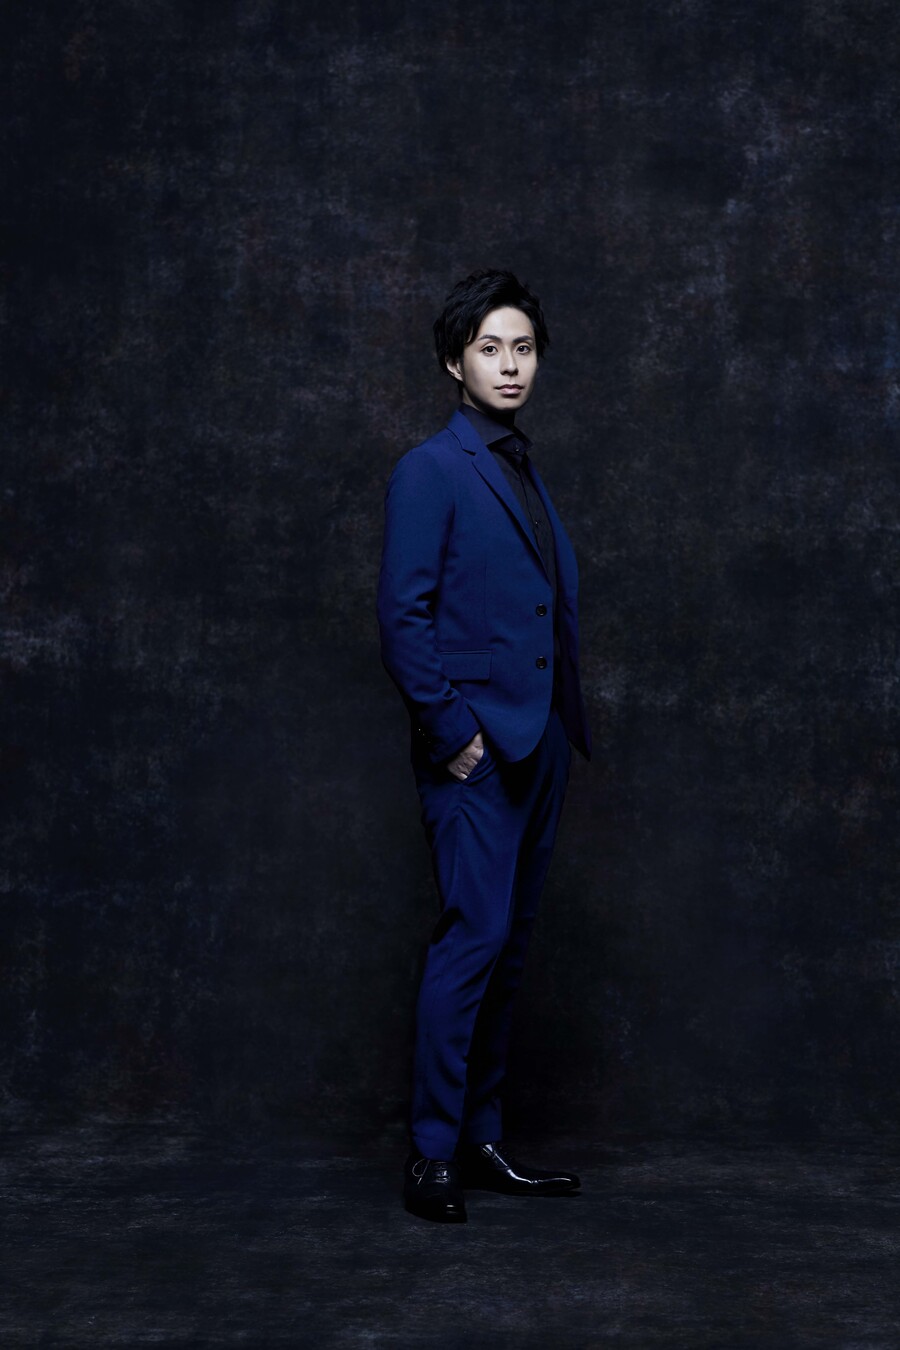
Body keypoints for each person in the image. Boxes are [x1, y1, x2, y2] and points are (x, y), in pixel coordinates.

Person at [377, 268, 591, 1223]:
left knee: (510, 949)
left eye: (524, 348)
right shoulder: (432, 469)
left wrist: (549, 729)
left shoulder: (519, 465)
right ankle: (430, 1154)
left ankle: (482, 1139)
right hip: (476, 749)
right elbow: (402, 616)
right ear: (452, 363)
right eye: (490, 348)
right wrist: (454, 734)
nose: (510, 365)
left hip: (539, 742)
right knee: (473, 943)